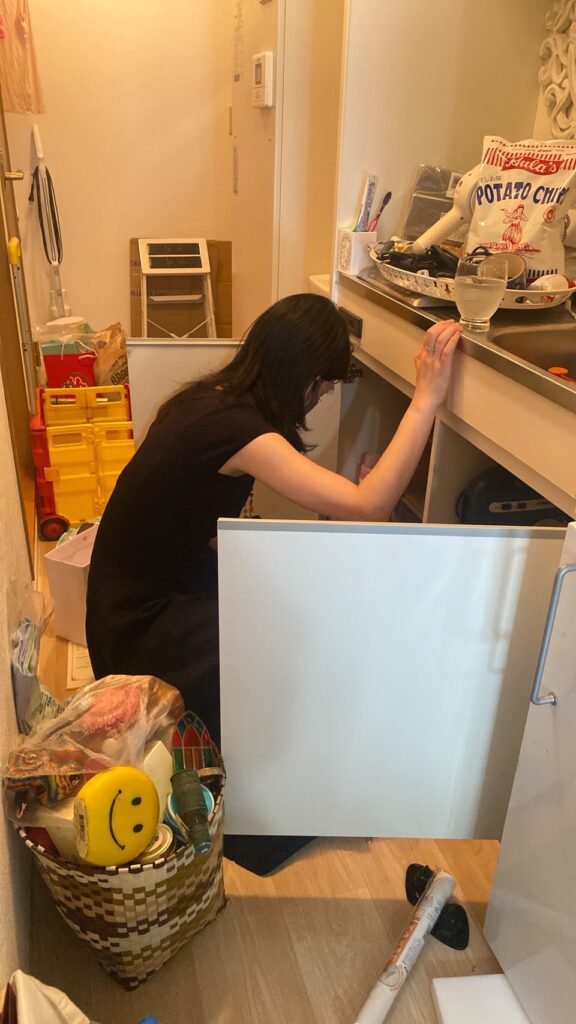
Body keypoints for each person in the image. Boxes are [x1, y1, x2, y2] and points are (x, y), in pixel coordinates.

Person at [86, 293, 460, 873]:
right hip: (140, 627)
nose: (325, 395)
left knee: (284, 611)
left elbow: (185, 523)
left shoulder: (205, 399)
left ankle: (265, 768)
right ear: (302, 374)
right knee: (286, 640)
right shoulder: (243, 433)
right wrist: (426, 397)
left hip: (125, 601)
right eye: (325, 383)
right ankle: (257, 811)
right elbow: (369, 503)